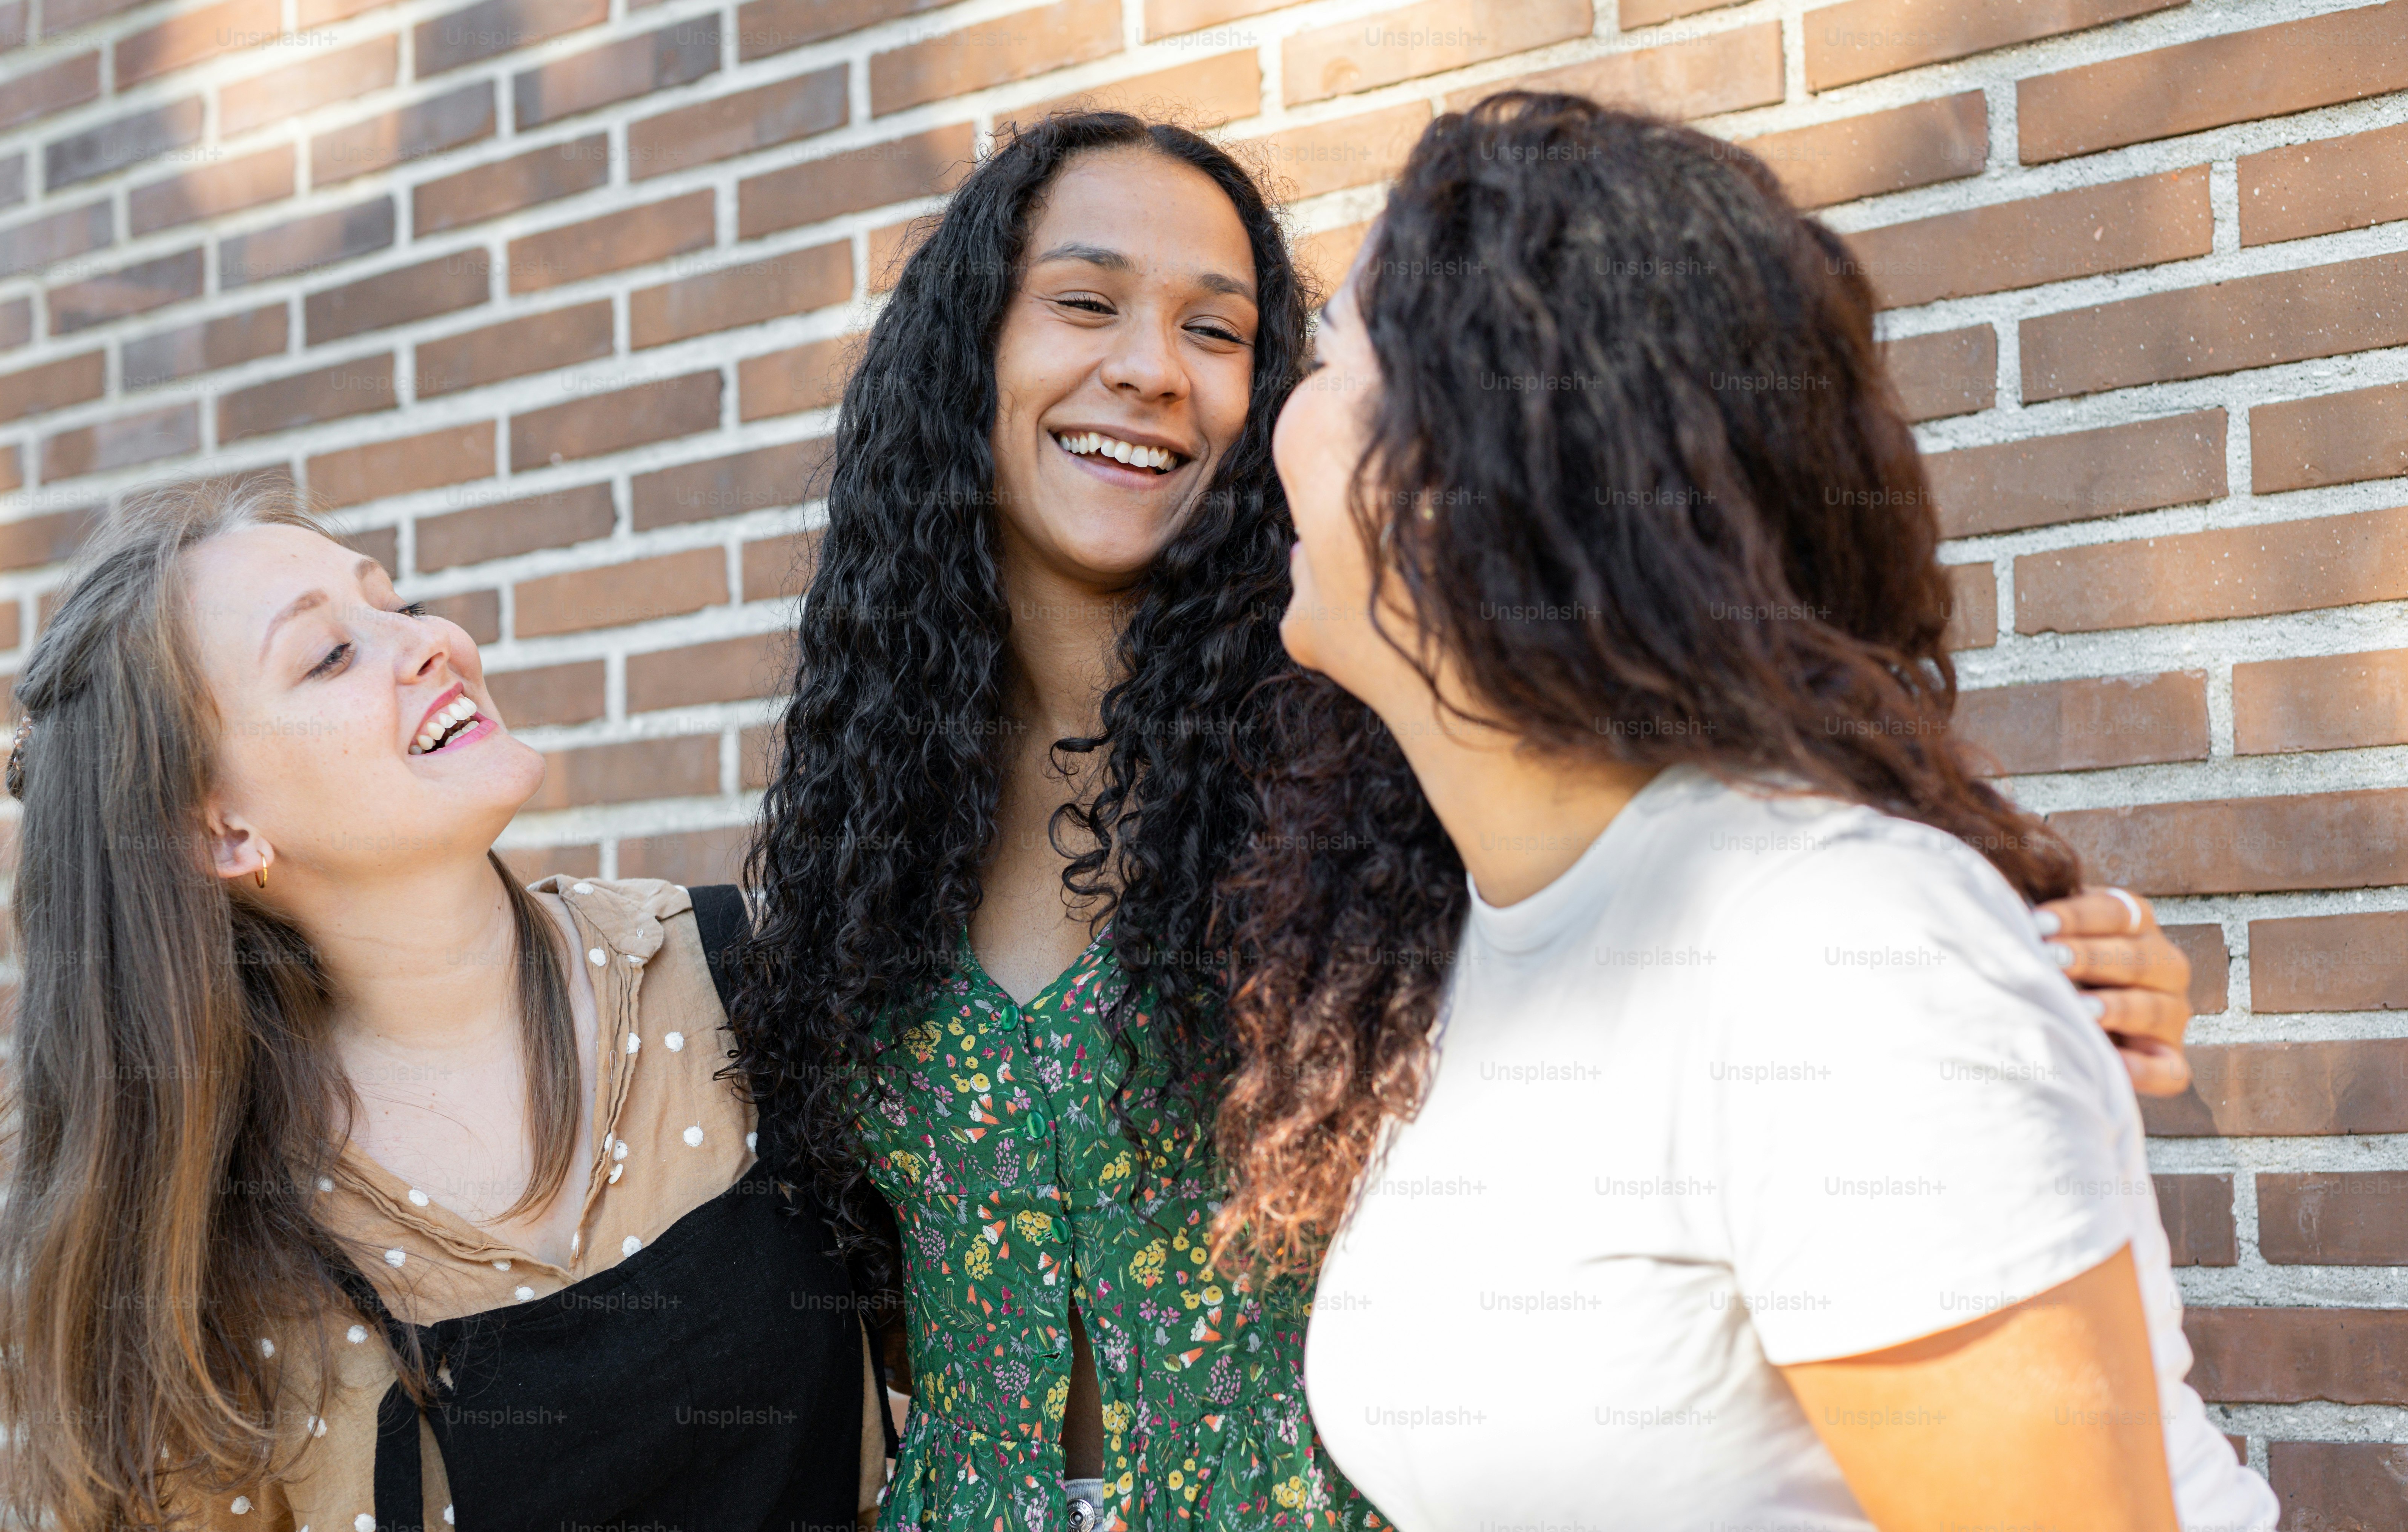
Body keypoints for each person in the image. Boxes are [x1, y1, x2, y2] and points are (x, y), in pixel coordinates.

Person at [724, 109, 2204, 1532]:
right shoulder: (881, 815)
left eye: (1228, 331)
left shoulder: (1377, 779)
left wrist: (2017, 970)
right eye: (1085, 301)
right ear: (961, 354)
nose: (1152, 370)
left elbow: (1732, 916)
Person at [1213, 92, 2278, 1532]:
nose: (1277, 419)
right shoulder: (1482, 945)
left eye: (1329, 360)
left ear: (1476, 481)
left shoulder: (1832, 963)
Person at [0, 481, 883, 1532]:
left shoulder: (738, 977)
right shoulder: (209, 1267)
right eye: (329, 656)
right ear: (223, 833)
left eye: (400, 607)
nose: (431, 644)